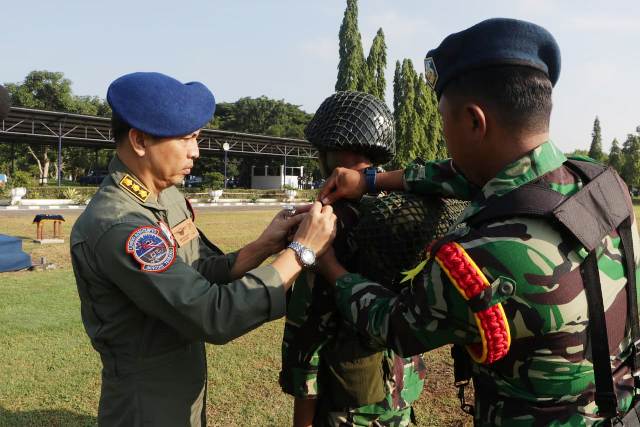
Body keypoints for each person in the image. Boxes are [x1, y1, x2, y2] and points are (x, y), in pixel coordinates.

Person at [317, 18, 640, 426]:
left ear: (474, 121)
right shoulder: (604, 185)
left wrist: (326, 260)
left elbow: (393, 324)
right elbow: (465, 174)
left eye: (443, 119)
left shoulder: (483, 255)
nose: (444, 133)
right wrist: (370, 180)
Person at [70, 72, 336, 427]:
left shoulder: (166, 196)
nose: (196, 151)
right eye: (186, 139)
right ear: (139, 140)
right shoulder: (121, 225)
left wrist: (263, 246)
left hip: (184, 382)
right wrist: (301, 252)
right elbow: (212, 313)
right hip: (146, 402)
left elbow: (197, 271)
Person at [280, 91, 465, 426]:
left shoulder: (327, 222)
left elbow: (309, 329)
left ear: (328, 151)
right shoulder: (411, 205)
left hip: (348, 402)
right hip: (401, 390)